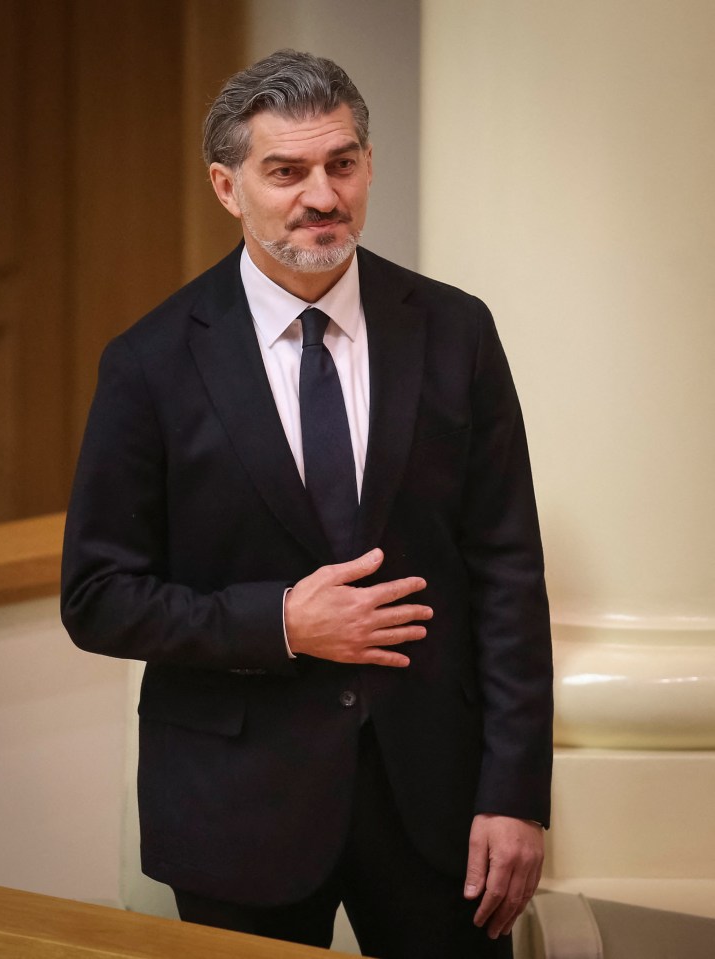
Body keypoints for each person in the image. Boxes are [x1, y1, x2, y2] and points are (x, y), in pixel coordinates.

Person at [61, 50, 553, 959]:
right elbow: (97, 595)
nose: (321, 196)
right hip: (233, 807)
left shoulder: (456, 330)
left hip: (437, 806)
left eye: (342, 163)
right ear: (227, 185)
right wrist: (282, 620)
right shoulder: (149, 362)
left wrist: (514, 792)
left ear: (367, 164)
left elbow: (507, 574)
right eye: (285, 171)